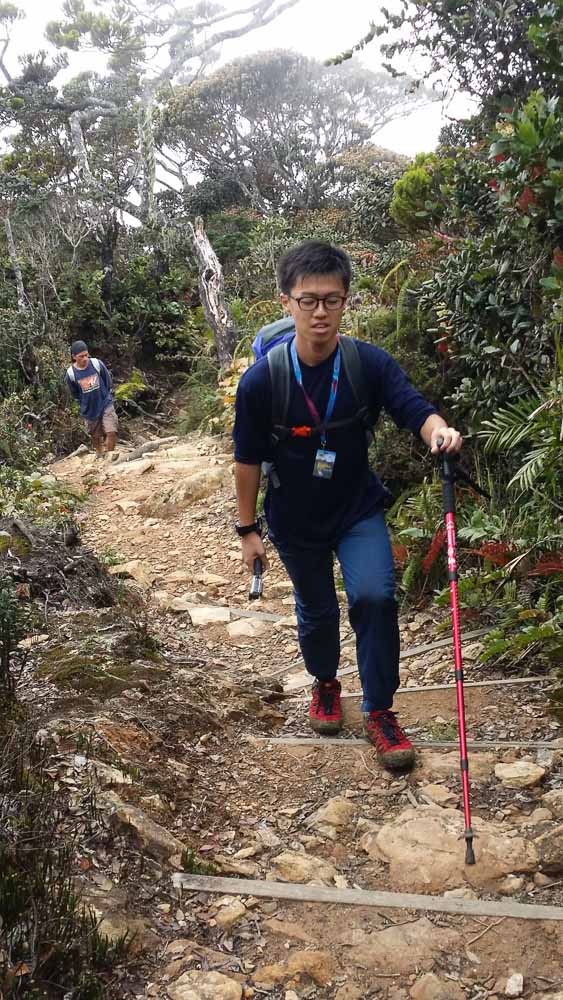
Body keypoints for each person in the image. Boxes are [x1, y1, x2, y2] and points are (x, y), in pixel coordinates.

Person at [233, 240, 463, 771]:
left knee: (375, 596)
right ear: (286, 302)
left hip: (357, 506)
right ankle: (326, 684)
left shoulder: (368, 365)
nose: (320, 312)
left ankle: (380, 710)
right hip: (294, 517)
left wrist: (439, 432)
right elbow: (246, 460)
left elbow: (414, 407)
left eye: (331, 300)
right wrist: (247, 529)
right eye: (308, 300)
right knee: (317, 612)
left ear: (345, 301)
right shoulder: (262, 381)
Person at [65, 340, 119, 456]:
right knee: (95, 435)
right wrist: (83, 402)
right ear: (74, 357)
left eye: (86, 355)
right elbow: (74, 392)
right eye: (81, 356)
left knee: (111, 431)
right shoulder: (71, 374)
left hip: (105, 402)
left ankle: (110, 457)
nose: (84, 358)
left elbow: (107, 380)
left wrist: (107, 395)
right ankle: (99, 454)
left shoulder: (96, 364)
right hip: (89, 409)